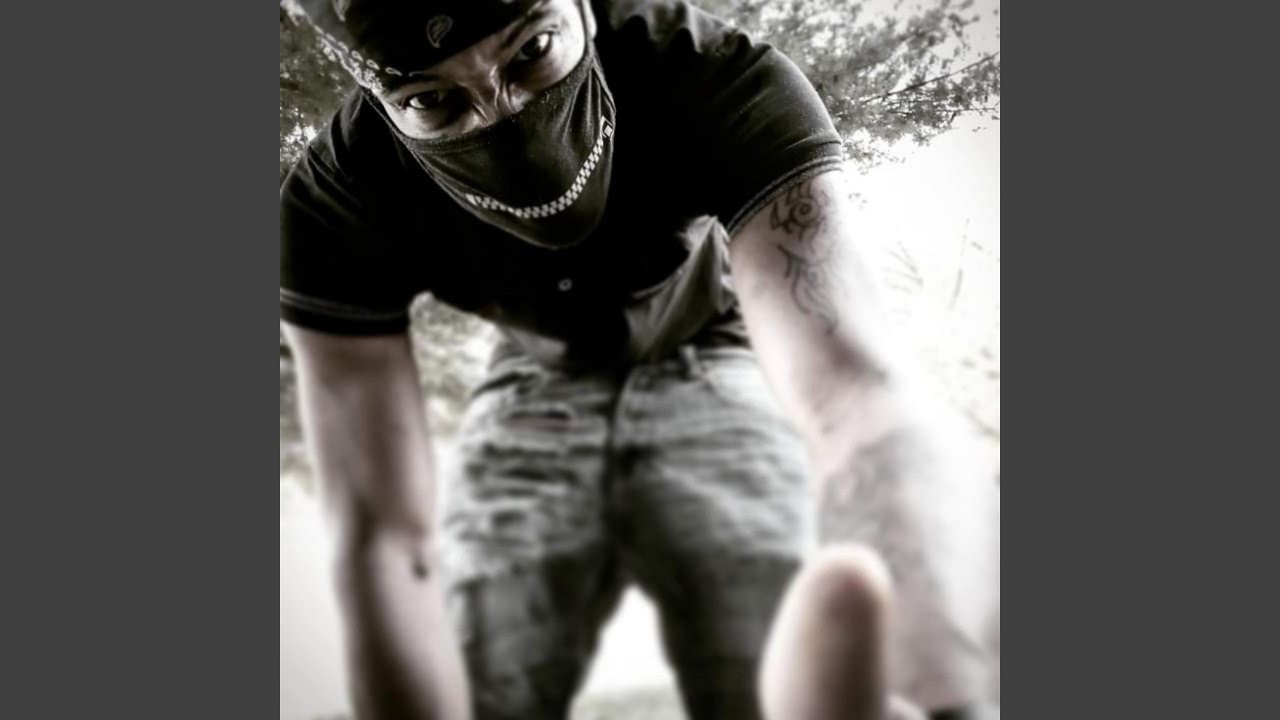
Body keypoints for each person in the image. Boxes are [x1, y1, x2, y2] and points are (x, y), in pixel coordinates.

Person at [279, 1, 1000, 718]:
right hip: (536, 374)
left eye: (532, 51)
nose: (505, 117)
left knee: (771, 632)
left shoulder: (712, 73)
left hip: (709, 336)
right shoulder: (335, 202)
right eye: (431, 100)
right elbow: (380, 532)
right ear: (379, 97)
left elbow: (856, 396)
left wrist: (934, 686)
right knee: (487, 659)